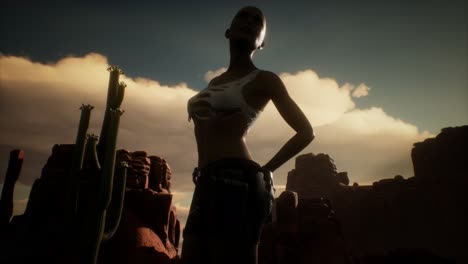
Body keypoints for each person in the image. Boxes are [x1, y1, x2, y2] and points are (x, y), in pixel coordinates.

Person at [181, 6, 314, 264]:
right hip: (206, 181)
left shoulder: (265, 80)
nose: (250, 22)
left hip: (240, 180)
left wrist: (265, 170)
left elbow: (306, 132)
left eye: (257, 21)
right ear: (228, 31)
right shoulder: (214, 83)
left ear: (262, 42)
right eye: (243, 16)